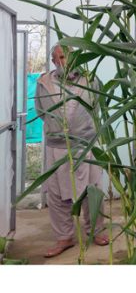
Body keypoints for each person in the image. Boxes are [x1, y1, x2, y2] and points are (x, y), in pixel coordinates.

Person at [35, 44, 109, 258]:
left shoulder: (90, 80)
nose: (66, 62)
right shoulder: (44, 83)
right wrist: (58, 129)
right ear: (54, 61)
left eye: (70, 57)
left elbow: (97, 108)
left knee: (93, 190)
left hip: (86, 146)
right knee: (56, 195)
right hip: (56, 147)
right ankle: (64, 237)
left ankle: (96, 230)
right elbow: (41, 112)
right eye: (60, 58)